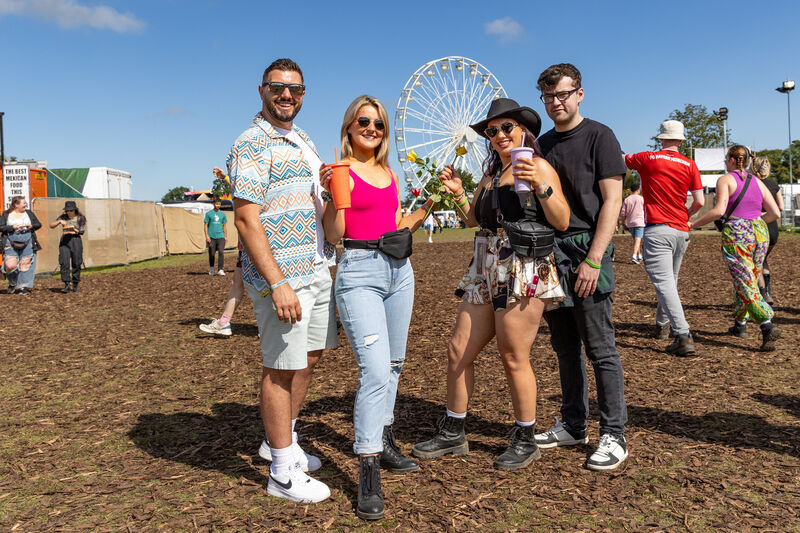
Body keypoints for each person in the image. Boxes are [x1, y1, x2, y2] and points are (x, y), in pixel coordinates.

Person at [412, 98, 570, 474]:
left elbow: (562, 220)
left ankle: (525, 437)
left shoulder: (538, 166)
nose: (499, 135)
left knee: (513, 354)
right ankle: (453, 429)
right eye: (492, 130)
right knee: (457, 350)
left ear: (523, 130)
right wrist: (457, 192)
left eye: (507, 128)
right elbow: (477, 219)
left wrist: (541, 188)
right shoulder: (491, 173)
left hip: (523, 265)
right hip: (485, 264)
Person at [320, 95, 435, 520]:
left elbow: (394, 226)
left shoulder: (389, 173)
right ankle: (368, 466)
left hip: (398, 271)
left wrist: (427, 206)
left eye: (379, 124)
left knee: (394, 363)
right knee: (373, 369)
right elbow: (336, 234)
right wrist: (333, 196)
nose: (372, 128)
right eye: (363, 121)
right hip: (359, 271)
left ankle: (384, 440)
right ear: (349, 126)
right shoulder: (341, 171)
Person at [228, 58, 335, 504]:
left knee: (307, 358)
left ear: (304, 93)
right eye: (277, 88)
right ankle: (281, 473)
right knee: (280, 367)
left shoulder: (304, 140)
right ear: (262, 91)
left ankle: (281, 443)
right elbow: (246, 218)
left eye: (294, 89)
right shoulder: (251, 143)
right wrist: (277, 283)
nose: (286, 95)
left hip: (315, 267)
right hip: (283, 275)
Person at [532, 64, 629, 471]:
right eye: (549, 97)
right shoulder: (541, 143)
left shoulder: (600, 136)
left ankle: (614, 433)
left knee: (601, 347)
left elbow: (612, 201)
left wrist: (594, 258)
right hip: (553, 254)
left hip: (587, 247)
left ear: (580, 94)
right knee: (564, 347)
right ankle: (573, 423)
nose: (556, 103)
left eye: (563, 95)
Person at [624, 120, 705, 356]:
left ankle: (683, 334)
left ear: (661, 138)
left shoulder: (648, 158)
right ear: (681, 140)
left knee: (665, 284)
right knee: (670, 281)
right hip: (681, 230)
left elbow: (619, 159)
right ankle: (662, 326)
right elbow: (699, 201)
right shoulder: (690, 164)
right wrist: (685, 217)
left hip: (658, 229)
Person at [689, 146, 781, 351]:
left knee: (744, 278)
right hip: (759, 231)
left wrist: (693, 224)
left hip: (738, 233)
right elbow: (775, 213)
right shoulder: (757, 181)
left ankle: (766, 324)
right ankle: (740, 324)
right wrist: (754, 222)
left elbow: (719, 210)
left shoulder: (725, 180)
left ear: (731, 160)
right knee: (749, 277)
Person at [751, 156, 783, 304]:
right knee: (763, 260)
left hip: (757, 227)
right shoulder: (774, 184)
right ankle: (767, 293)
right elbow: (780, 208)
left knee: (754, 262)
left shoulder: (752, 184)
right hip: (773, 229)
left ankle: (761, 294)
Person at [1, 196, 42, 294]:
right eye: (23, 203)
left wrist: (31, 226)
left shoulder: (28, 213)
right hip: (10, 239)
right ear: (16, 205)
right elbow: (1, 227)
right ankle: (13, 282)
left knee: (26, 263)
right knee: (10, 265)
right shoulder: (6, 214)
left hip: (27, 238)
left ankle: (24, 287)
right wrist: (12, 227)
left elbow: (38, 224)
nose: (26, 205)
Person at [49, 200, 86, 293]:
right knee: (64, 262)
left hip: (75, 240)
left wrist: (72, 228)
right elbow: (51, 225)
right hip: (65, 241)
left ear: (75, 210)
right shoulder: (63, 217)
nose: (69, 212)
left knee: (77, 262)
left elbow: (81, 231)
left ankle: (75, 283)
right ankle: (66, 284)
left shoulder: (81, 218)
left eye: (71, 210)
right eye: (67, 210)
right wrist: (59, 222)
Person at [618, 181, 645, 263]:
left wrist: (623, 223)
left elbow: (623, 213)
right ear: (638, 190)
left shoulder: (627, 199)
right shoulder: (641, 199)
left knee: (637, 240)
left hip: (630, 222)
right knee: (638, 240)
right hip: (639, 222)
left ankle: (639, 255)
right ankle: (634, 255)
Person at [204, 197, 227, 276]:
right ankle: (211, 269)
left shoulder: (223, 214)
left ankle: (220, 269)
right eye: (217, 204)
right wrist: (207, 236)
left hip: (221, 236)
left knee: (221, 252)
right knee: (212, 253)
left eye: (219, 204)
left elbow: (224, 226)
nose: (218, 205)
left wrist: (225, 236)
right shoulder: (208, 214)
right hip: (211, 236)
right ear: (213, 204)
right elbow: (206, 225)